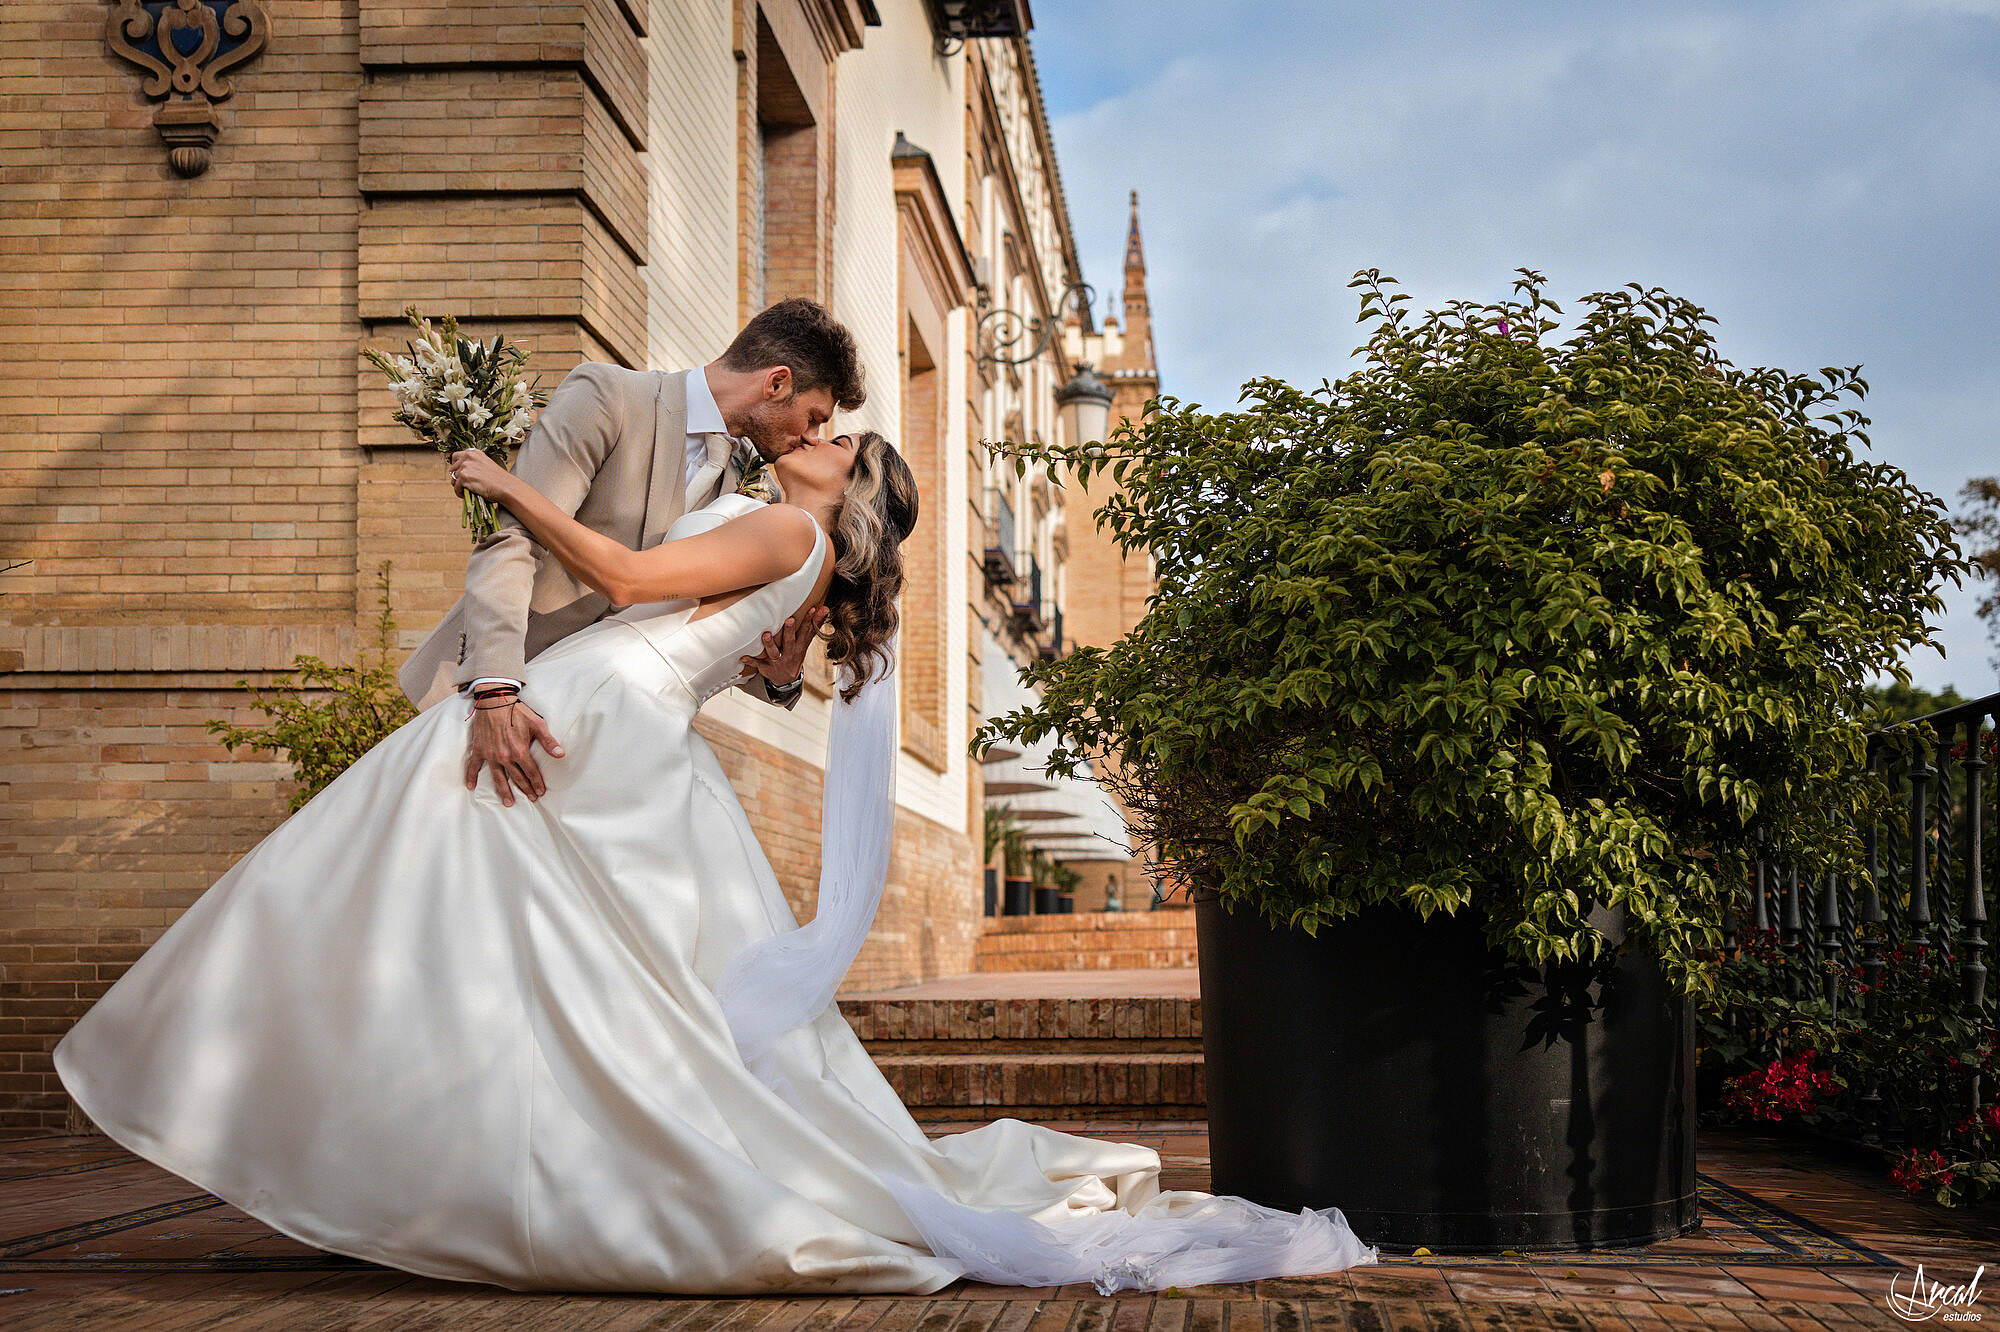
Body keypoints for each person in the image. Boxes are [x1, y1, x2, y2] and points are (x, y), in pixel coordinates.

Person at [54, 429, 1378, 1295]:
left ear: (845, 484)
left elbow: (629, 576)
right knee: (567, 955)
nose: (809, 433)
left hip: (609, 712)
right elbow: (728, 626)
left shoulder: (787, 532)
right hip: (633, 719)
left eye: (835, 438)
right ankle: (451, 1140)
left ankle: (337, 1105)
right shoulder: (781, 538)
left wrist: (511, 484)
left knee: (458, 886)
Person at [398, 297, 865, 809]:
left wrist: (782, 680)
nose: (812, 438)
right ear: (776, 383)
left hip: (595, 735)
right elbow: (512, 540)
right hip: (495, 696)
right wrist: (495, 689)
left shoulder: (763, 496)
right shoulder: (608, 396)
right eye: (814, 417)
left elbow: (706, 629)